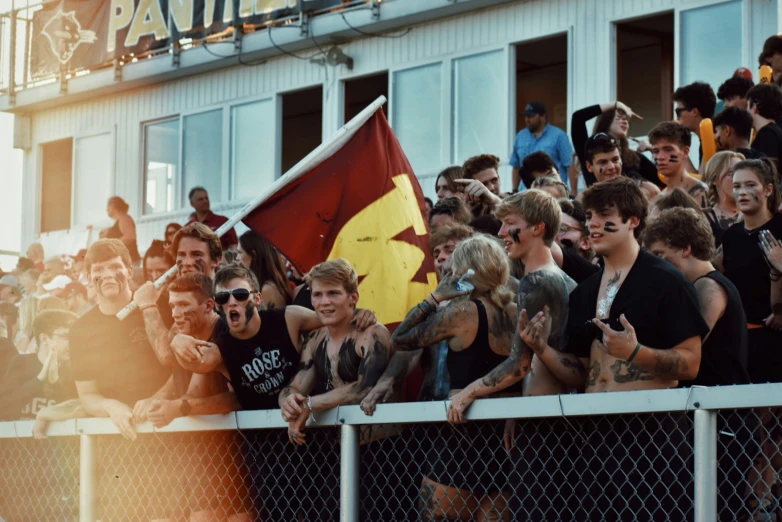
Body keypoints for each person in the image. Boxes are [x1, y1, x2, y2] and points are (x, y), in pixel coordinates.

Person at [532, 178, 708, 520]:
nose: (594, 224)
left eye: (605, 215)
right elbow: (581, 371)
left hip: (652, 436)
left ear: (633, 221)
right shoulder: (583, 293)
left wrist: (634, 352)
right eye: (590, 216)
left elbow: (691, 364)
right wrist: (543, 350)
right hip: (595, 438)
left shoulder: (666, 281)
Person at [390, 235, 519, 521]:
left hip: (460, 437)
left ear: (466, 272)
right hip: (503, 440)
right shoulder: (514, 311)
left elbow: (400, 339)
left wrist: (434, 298)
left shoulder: (463, 311)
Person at [170, 264, 376, 411]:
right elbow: (197, 362)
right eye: (224, 297)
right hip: (264, 447)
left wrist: (360, 313)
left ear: (257, 298)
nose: (232, 302)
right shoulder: (222, 347)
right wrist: (177, 341)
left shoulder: (289, 318)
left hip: (309, 430)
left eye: (240, 295)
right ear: (218, 305)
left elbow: (330, 317)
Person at [67, 239, 172, 440]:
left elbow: (185, 370)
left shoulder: (160, 305)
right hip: (116, 439)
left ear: (130, 272)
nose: (107, 275)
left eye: (115, 267)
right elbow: (87, 395)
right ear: (89, 277)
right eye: (99, 270)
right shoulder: (80, 330)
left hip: (171, 430)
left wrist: (159, 397)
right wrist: (110, 406)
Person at [279, 259, 392, 442]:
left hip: (383, 448)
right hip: (333, 448)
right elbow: (296, 386)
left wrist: (310, 404)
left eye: (333, 293)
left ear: (353, 297)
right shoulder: (315, 339)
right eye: (317, 295)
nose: (324, 302)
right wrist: (289, 403)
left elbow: (364, 388)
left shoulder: (373, 334)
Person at [715, 158, 782, 384]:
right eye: (737, 186)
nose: (742, 192)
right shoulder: (731, 236)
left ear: (768, 189)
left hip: (776, 339)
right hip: (742, 340)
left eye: (750, 185)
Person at [0, 310, 78, 420]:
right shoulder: (22, 363)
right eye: (66, 336)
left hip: (59, 436)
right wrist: (38, 380)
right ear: (44, 338)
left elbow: (75, 409)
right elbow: (4, 407)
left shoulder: (73, 370)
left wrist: (56, 383)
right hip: (22, 435)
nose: (72, 342)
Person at [571, 101, 661, 187]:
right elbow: (577, 118)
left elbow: (662, 180)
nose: (625, 122)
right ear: (589, 166)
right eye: (619, 118)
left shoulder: (634, 158)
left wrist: (653, 150)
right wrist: (615, 104)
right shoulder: (589, 151)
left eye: (626, 120)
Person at [510, 101, 573, 190]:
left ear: (543, 117)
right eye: (526, 116)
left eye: (531, 116)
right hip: (525, 193)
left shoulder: (559, 136)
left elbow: (570, 164)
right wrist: (514, 190)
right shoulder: (520, 136)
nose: (527, 119)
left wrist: (573, 193)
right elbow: (516, 166)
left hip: (552, 191)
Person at [581, 133, 660, 201]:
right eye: (603, 162)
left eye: (615, 159)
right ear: (589, 166)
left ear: (621, 160)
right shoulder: (585, 201)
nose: (611, 167)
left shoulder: (648, 191)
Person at [649, 121, 708, 207]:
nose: (660, 157)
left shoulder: (699, 192)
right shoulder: (656, 199)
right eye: (655, 151)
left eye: (668, 149)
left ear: (685, 152)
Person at [237, 230, 292, 309]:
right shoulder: (266, 285)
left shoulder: (268, 289)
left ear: (254, 255)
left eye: (240, 252)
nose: (237, 258)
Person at [701, 151, 744, 247]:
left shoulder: (756, 213)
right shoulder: (702, 218)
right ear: (715, 179)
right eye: (731, 173)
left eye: (742, 173)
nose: (738, 179)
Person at [552, 198, 600, 284]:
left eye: (562, 228)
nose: (552, 235)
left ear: (586, 242)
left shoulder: (595, 278)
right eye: (551, 228)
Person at [673, 81, 717, 173]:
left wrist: (678, 146)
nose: (677, 118)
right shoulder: (707, 136)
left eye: (678, 112)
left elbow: (701, 182)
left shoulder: (714, 138)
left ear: (694, 112)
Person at [186, 187, 238, 251]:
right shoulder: (187, 227)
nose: (205, 201)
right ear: (192, 203)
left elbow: (234, 246)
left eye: (206, 198)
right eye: (200, 199)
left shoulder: (223, 221)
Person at [747, 83, 782, 167]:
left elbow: (765, 171)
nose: (746, 111)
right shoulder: (776, 131)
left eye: (747, 106)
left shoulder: (766, 134)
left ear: (754, 107)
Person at [99, 196, 141, 265]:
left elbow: (130, 236)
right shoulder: (119, 220)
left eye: (108, 206)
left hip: (128, 262)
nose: (106, 210)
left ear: (113, 206)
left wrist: (110, 243)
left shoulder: (124, 219)